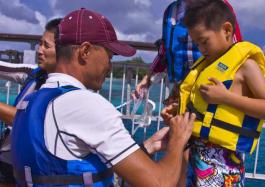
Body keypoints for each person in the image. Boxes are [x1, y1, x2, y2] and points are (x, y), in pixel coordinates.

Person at [11, 8, 196, 187]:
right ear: (85, 51)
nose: (109, 66)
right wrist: (178, 142)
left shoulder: (30, 101)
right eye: (109, 55)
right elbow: (160, 183)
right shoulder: (85, 104)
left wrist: (147, 147)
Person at [162, 0, 265, 186]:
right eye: (197, 44)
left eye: (204, 41)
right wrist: (177, 110)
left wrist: (226, 97)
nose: (201, 49)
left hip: (224, 165)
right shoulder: (203, 67)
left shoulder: (246, 67)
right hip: (195, 156)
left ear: (226, 30)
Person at [133, 0, 242, 104]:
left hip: (212, 90)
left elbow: (236, 49)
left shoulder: (219, 7)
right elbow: (164, 50)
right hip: (180, 90)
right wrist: (147, 79)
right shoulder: (171, 11)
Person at [0, 18, 61, 186]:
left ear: (64, 50)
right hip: (8, 159)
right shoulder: (34, 74)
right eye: (39, 44)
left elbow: (24, 120)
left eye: (46, 46)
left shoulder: (65, 89)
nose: (39, 50)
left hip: (34, 168)